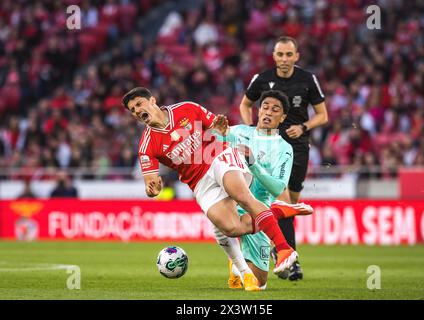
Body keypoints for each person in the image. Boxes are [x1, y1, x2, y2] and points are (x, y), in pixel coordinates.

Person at [122, 87, 308, 291]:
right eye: (132, 110)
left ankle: (284, 249)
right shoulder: (146, 145)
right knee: (231, 228)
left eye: (139, 104)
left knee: (242, 196)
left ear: (152, 101)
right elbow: (150, 184)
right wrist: (153, 188)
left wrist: (219, 131)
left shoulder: (187, 108)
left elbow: (220, 130)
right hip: (199, 183)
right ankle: (277, 212)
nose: (137, 111)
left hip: (218, 157)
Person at [239, 36, 329, 280]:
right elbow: (245, 105)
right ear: (274, 56)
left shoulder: (308, 79)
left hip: (297, 146)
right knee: (284, 201)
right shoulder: (262, 79)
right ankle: (289, 258)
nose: (285, 59)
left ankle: (279, 248)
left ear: (296, 56)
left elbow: (323, 115)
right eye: (280, 54)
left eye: (289, 55)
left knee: (288, 207)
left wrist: (303, 127)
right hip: (268, 146)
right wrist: (251, 131)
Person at [214, 90, 313, 290]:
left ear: (283, 117)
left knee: (258, 284)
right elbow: (213, 153)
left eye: (275, 109)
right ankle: (239, 256)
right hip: (231, 205)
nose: (268, 112)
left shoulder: (284, 148)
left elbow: (277, 187)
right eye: (265, 107)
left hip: (259, 213)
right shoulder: (238, 132)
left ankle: (237, 263)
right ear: (258, 111)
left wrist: (253, 164)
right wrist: (217, 133)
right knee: (225, 224)